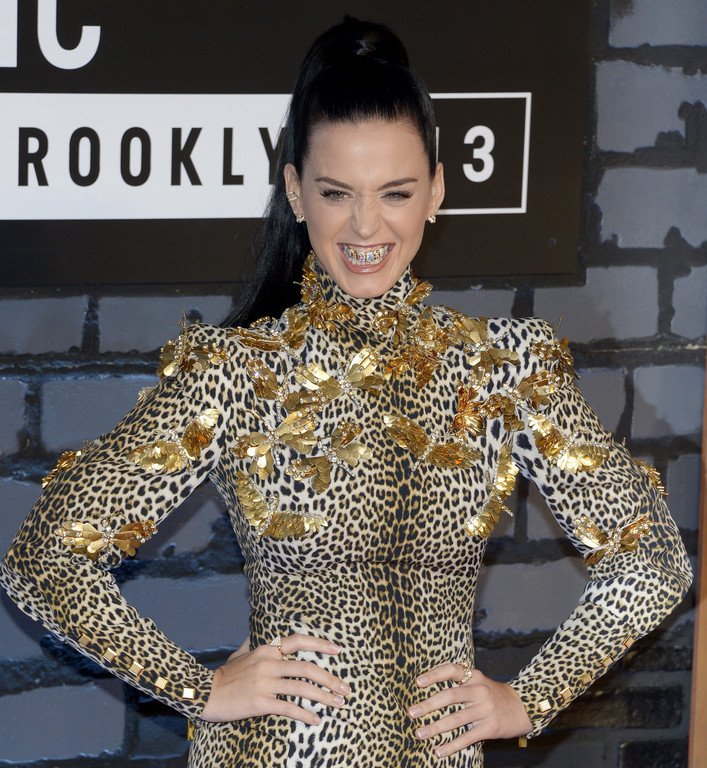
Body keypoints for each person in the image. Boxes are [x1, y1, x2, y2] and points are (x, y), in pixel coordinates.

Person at [0, 16, 692, 768]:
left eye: (395, 192)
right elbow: (43, 560)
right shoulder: (236, 370)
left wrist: (528, 698)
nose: (366, 225)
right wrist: (199, 688)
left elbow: (652, 561)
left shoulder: (503, 366)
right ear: (296, 192)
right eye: (336, 193)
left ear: (435, 191)